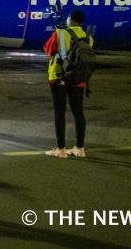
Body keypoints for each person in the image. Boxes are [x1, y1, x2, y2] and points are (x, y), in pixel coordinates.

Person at [43, 9, 93, 158]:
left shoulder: (60, 33)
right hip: (78, 79)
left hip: (58, 77)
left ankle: (61, 149)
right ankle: (80, 148)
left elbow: (48, 49)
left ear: (70, 19)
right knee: (78, 113)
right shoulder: (88, 38)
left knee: (60, 113)